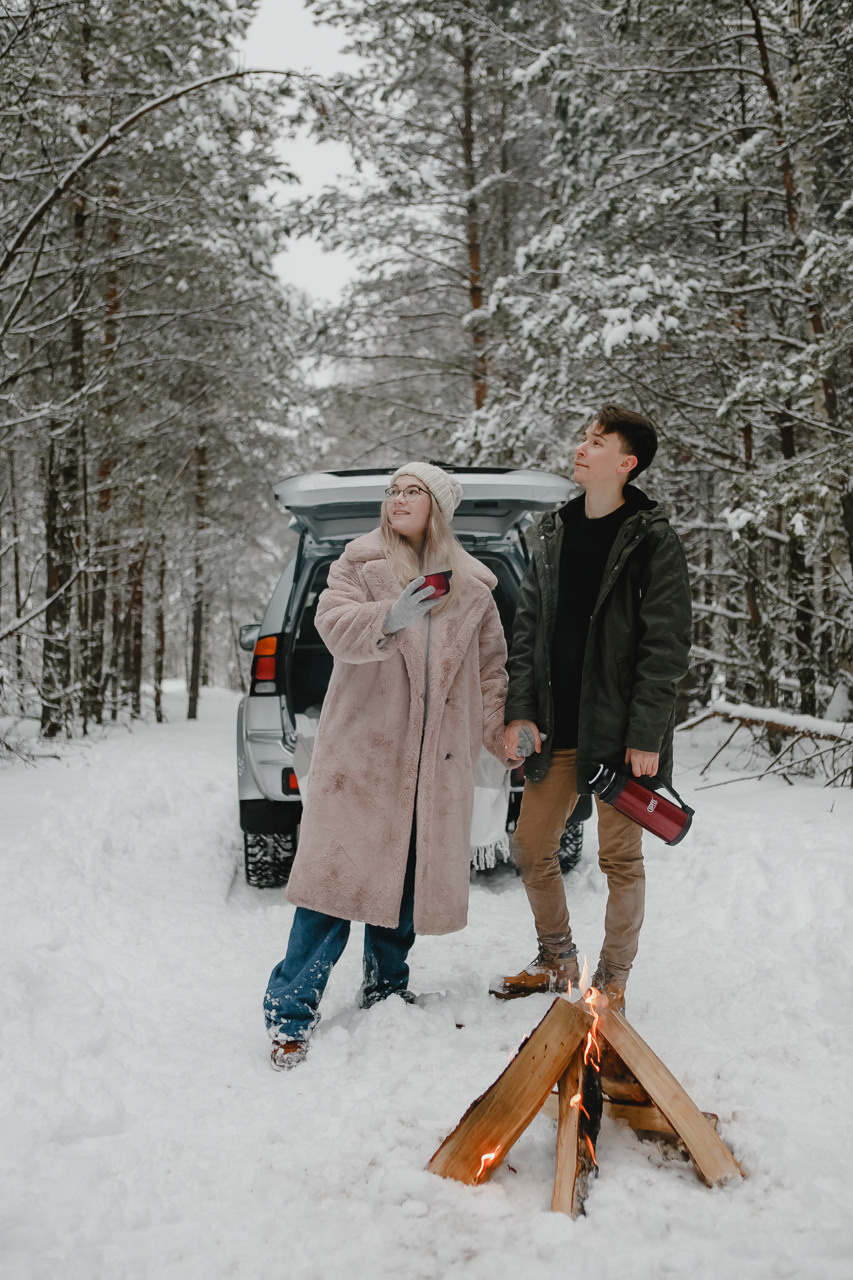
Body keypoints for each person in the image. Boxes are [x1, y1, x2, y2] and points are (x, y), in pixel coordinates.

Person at [264, 462, 511, 1068]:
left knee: (405, 881)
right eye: (393, 491)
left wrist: (502, 734)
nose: (398, 499)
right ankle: (289, 1013)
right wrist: (390, 616)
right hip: (362, 755)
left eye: (412, 492)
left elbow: (491, 670)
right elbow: (331, 623)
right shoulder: (357, 562)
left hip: (434, 762)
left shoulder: (474, 587)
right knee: (331, 886)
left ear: (438, 508)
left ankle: (387, 989)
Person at [493, 405, 692, 1015]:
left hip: (618, 734)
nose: (581, 448)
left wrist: (646, 734)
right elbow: (526, 630)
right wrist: (521, 711)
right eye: (584, 438)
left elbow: (665, 647)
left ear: (626, 463)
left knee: (619, 859)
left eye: (597, 442)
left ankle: (612, 979)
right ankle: (557, 958)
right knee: (531, 846)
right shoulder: (554, 531)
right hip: (556, 726)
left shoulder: (651, 538)